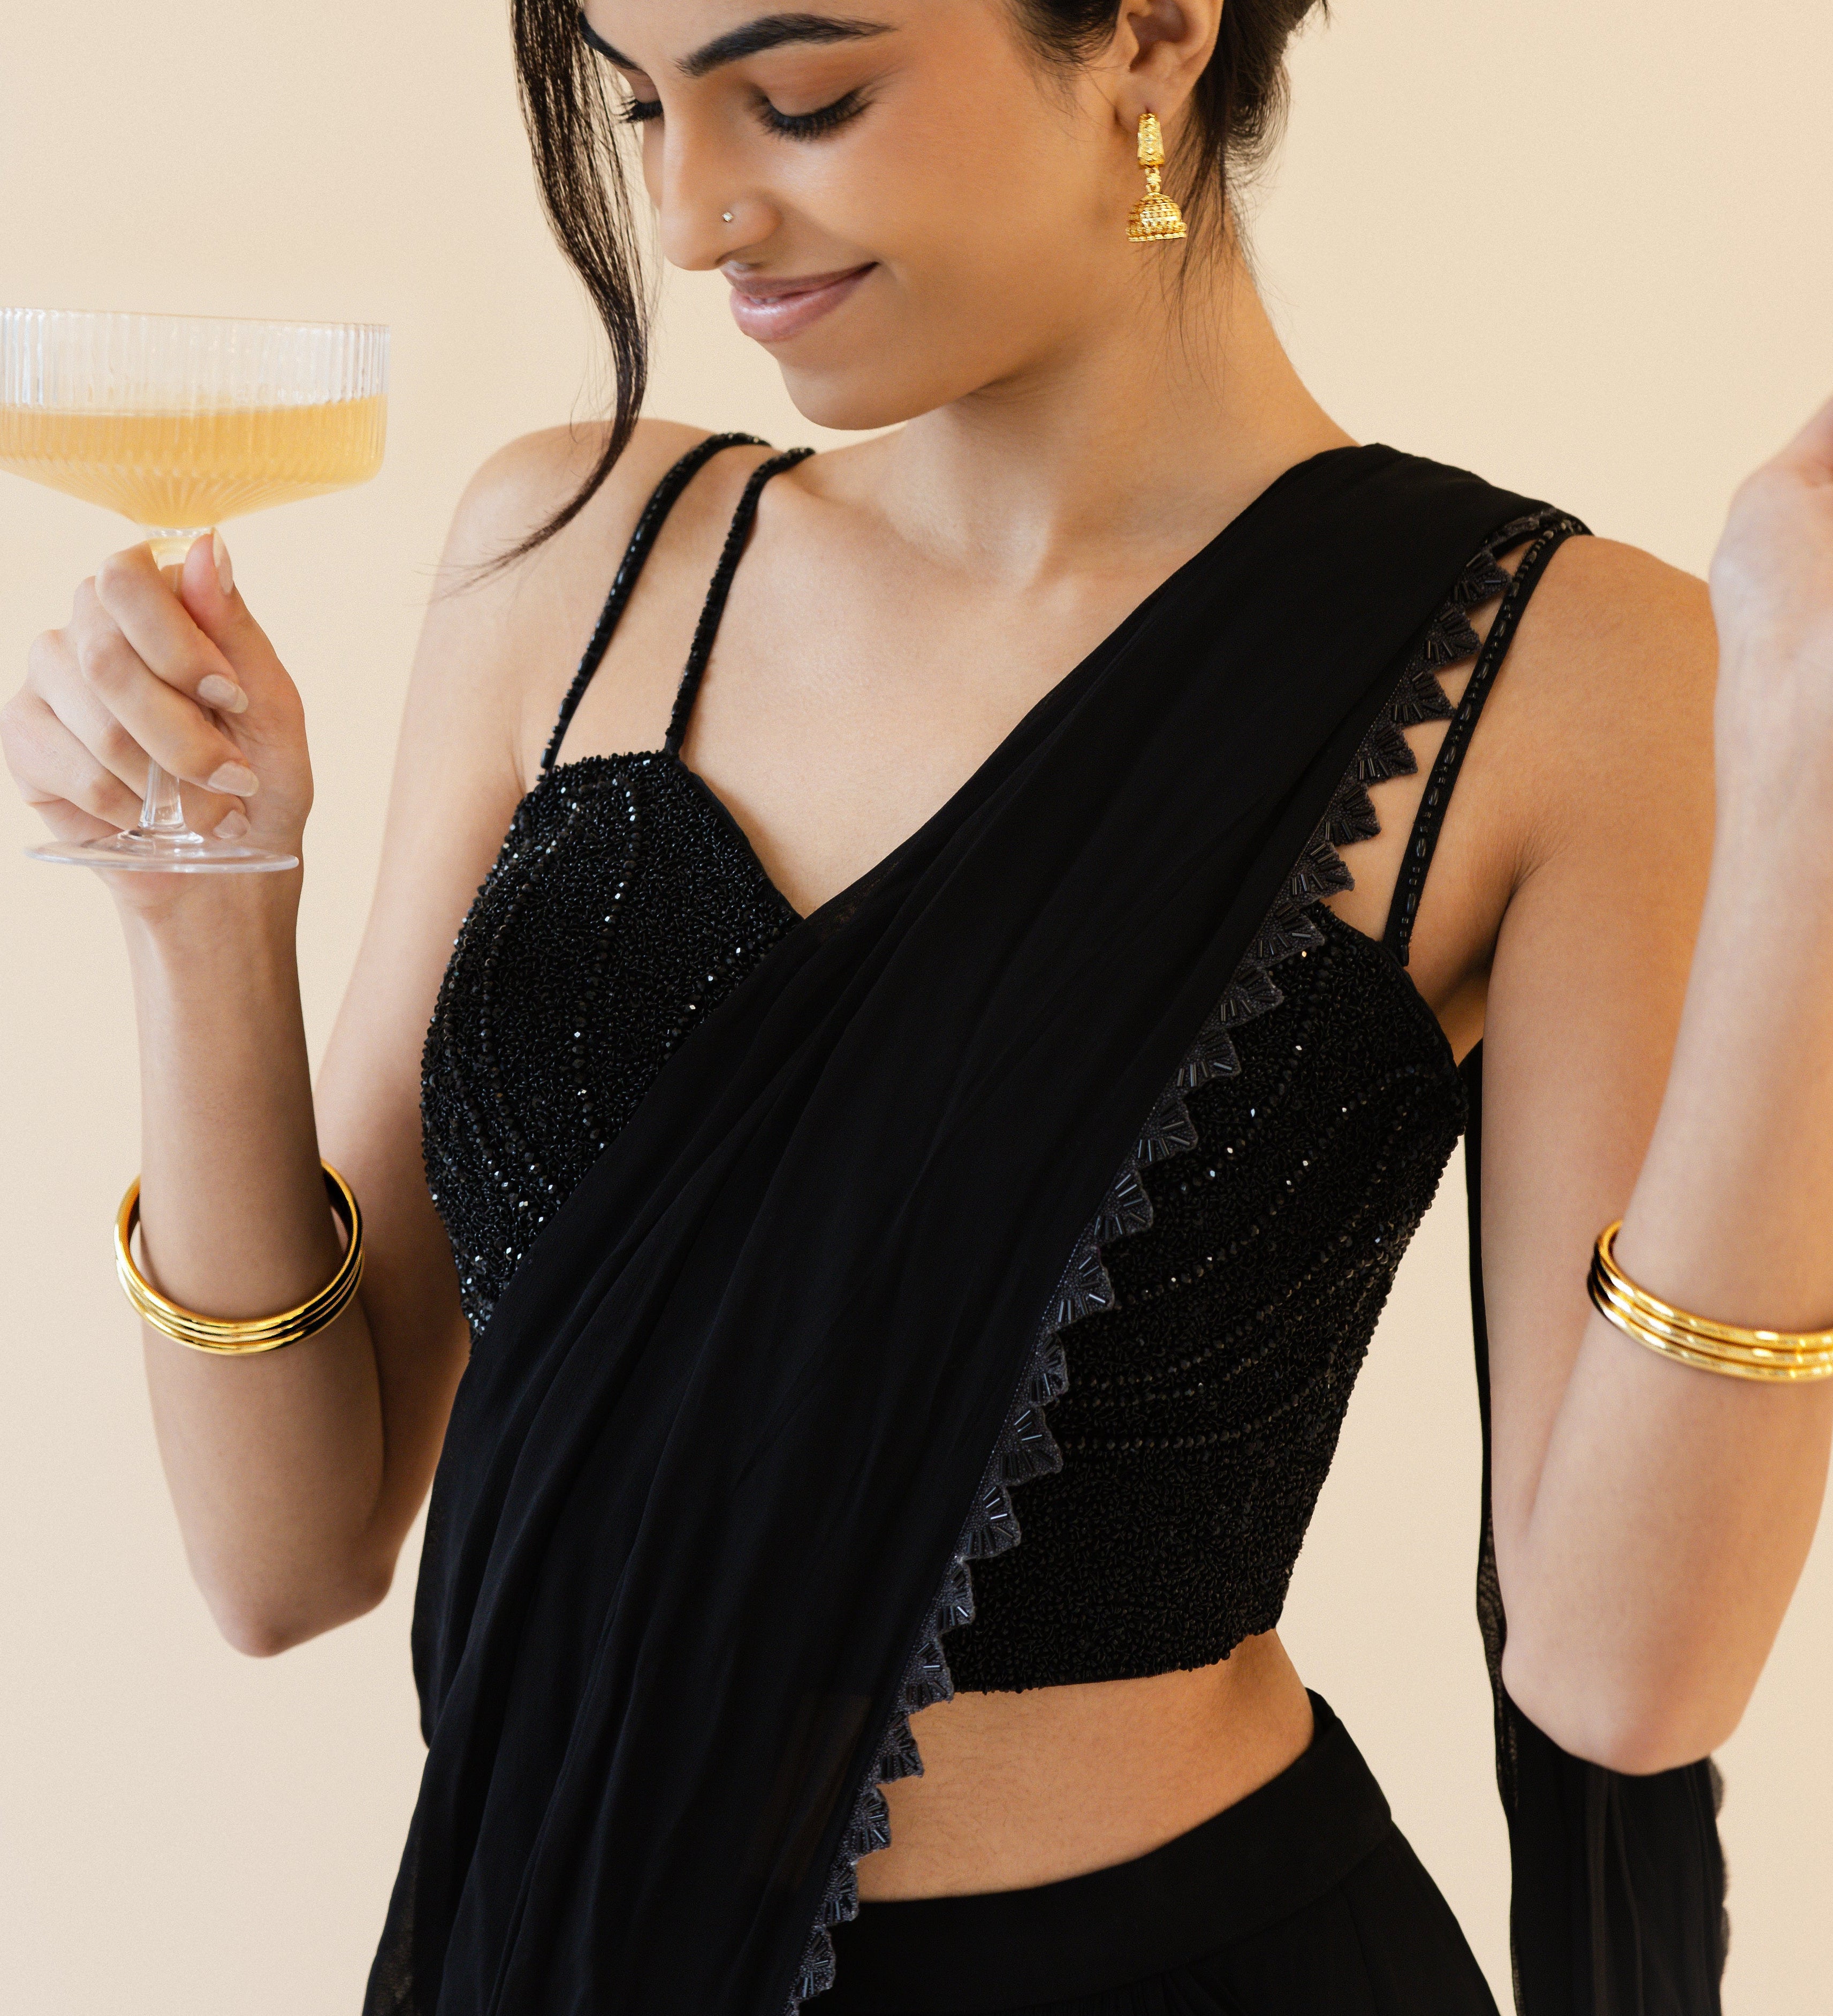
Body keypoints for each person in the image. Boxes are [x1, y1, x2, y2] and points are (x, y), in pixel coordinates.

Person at [6, 2, 1831, 2011]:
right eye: (639, 106)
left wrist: (1805, 824)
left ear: (1147, 31)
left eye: (802, 97)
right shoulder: (567, 558)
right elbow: (289, 1553)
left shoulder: (1567, 677)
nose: (694, 218)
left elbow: (1621, 1678)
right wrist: (200, 907)